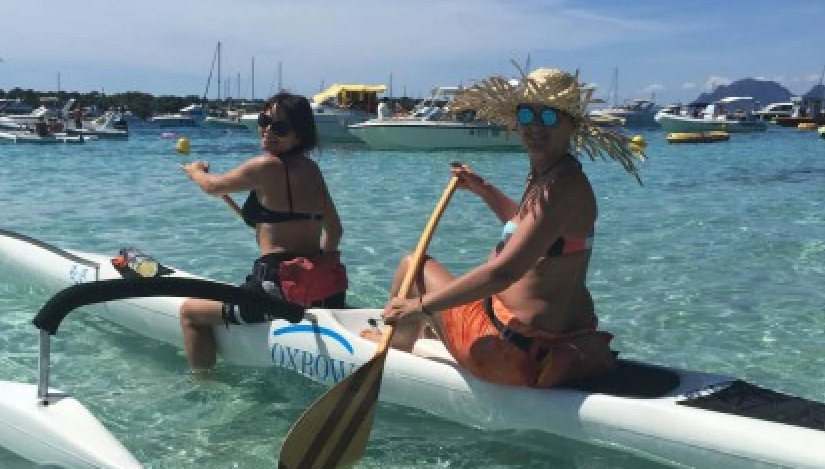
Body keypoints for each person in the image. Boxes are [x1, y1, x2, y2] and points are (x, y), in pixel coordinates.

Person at [379, 66, 642, 389]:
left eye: (547, 117)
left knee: (412, 268)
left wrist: (416, 306)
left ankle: (394, 359)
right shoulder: (554, 176)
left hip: (512, 350)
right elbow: (528, 230)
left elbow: (504, 273)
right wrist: (484, 189)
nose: (534, 126)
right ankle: (424, 327)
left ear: (570, 125)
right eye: (526, 115)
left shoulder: (558, 188)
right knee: (438, 296)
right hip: (552, 340)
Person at [179, 92, 347, 370]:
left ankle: (203, 388)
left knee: (190, 313)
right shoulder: (313, 171)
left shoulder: (264, 166)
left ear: (298, 136)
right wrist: (316, 274)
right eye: (264, 121)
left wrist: (195, 171)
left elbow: (212, 187)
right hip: (323, 291)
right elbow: (335, 230)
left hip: (276, 291)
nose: (268, 130)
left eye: (279, 127)